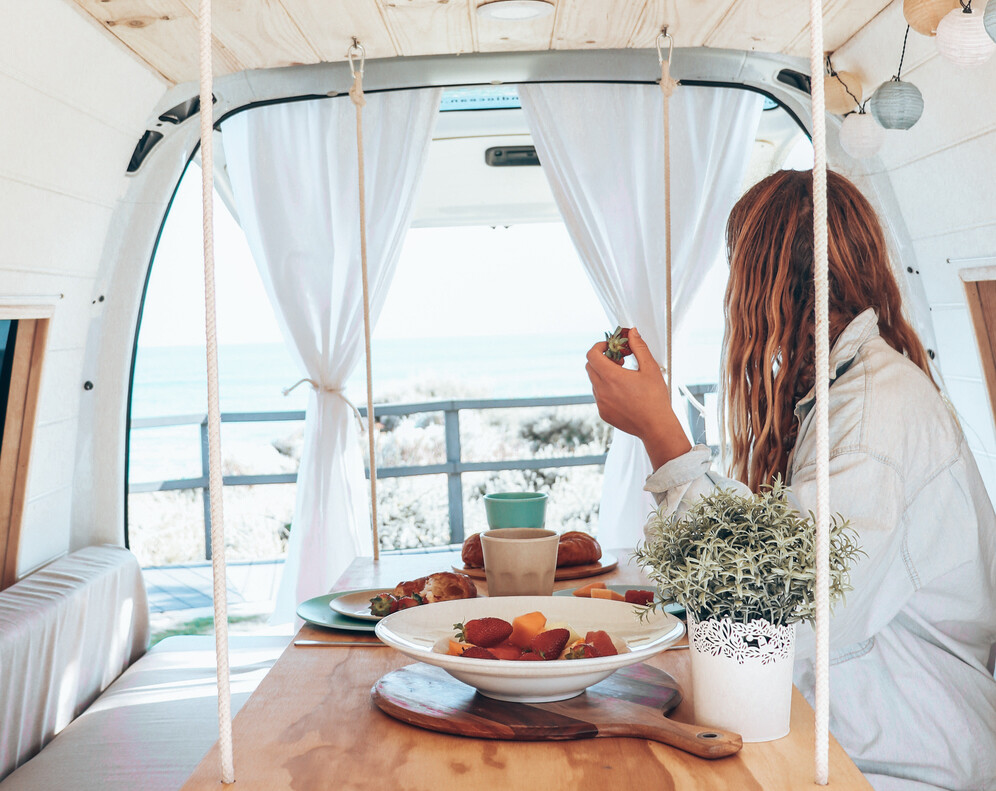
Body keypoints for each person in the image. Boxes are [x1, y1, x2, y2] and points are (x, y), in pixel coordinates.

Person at [585, 169, 996, 790]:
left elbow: (776, 612)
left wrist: (661, 434)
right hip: (860, 736)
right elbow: (777, 550)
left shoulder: (872, 420)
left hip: (903, 764)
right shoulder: (845, 391)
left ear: (760, 283)